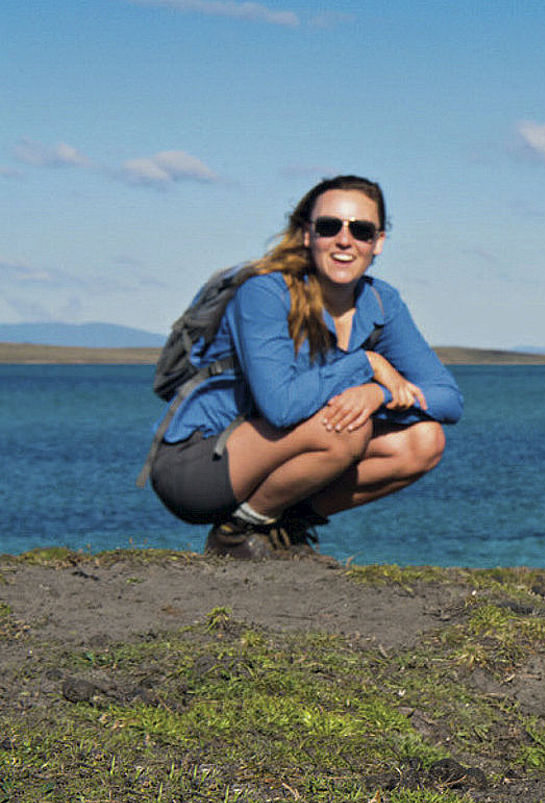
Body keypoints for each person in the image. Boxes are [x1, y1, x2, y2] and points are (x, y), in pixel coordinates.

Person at [148, 175, 462, 559]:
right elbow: (281, 407)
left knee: (424, 441)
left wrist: (376, 393)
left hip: (280, 454)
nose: (344, 240)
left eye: (361, 230)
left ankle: (281, 529)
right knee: (347, 428)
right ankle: (235, 534)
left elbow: (448, 399)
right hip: (198, 464)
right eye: (329, 227)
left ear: (378, 242)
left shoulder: (381, 302)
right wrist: (366, 363)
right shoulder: (265, 293)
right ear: (307, 235)